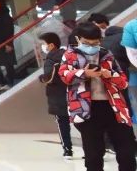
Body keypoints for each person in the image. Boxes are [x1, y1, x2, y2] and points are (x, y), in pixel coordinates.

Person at [59, 22, 137, 171]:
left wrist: (109, 75)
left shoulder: (107, 54)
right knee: (93, 153)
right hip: (87, 109)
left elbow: (123, 82)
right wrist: (84, 73)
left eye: (95, 43)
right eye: (86, 43)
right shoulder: (70, 55)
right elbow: (64, 76)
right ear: (78, 39)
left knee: (126, 149)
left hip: (114, 106)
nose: (91, 46)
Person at [39, 32, 73, 159]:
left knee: (62, 122)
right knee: (81, 122)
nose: (42, 47)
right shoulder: (67, 55)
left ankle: (67, 149)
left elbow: (48, 77)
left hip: (57, 95)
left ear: (51, 45)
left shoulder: (51, 59)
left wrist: (41, 78)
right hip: (72, 93)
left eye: (43, 44)